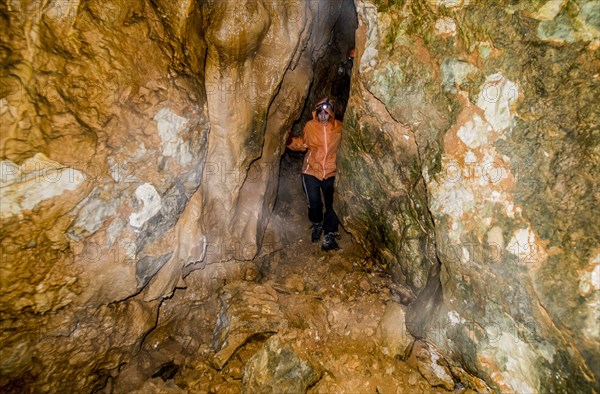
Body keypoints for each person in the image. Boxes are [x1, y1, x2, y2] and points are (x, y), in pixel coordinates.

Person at [287, 98, 343, 251]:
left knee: (332, 204)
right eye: (320, 113)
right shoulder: (310, 126)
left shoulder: (339, 127)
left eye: (326, 113)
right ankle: (317, 223)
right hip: (311, 170)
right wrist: (289, 141)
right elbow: (303, 143)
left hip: (331, 171)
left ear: (330, 113)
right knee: (314, 203)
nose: (323, 116)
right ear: (316, 113)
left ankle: (329, 234)